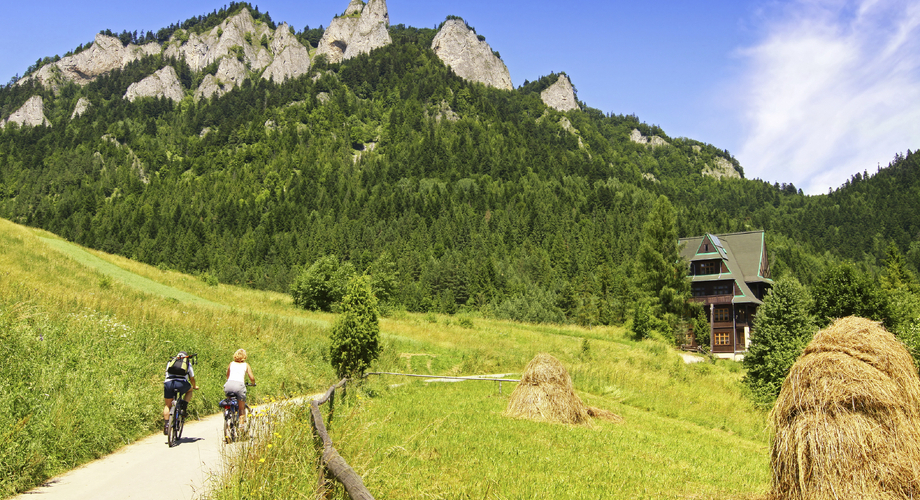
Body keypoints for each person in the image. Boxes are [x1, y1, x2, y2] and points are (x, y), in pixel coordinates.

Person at [163, 351, 198, 435]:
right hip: (182, 384)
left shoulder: (170, 362)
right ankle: (184, 407)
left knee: (168, 405)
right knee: (190, 390)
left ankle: (167, 425)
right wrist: (194, 386)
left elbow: (166, 373)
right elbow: (191, 378)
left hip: (169, 383)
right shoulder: (188, 364)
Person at [224, 348, 256, 427]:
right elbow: (252, 378)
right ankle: (241, 430)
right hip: (239, 386)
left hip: (228, 385)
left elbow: (227, 376)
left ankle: (227, 417)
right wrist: (253, 383)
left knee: (229, 402)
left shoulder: (231, 363)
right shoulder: (246, 365)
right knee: (241, 409)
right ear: (245, 357)